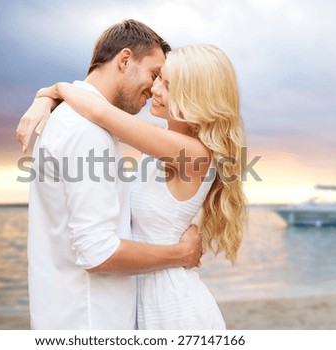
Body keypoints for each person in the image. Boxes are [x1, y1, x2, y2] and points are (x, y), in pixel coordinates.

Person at [18, 44, 247, 329]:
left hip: (173, 307)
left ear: (197, 97)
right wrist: (46, 99)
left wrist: (53, 91)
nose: (155, 89)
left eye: (168, 84)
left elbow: (101, 113)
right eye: (159, 77)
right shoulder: (162, 144)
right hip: (145, 298)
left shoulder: (194, 155)